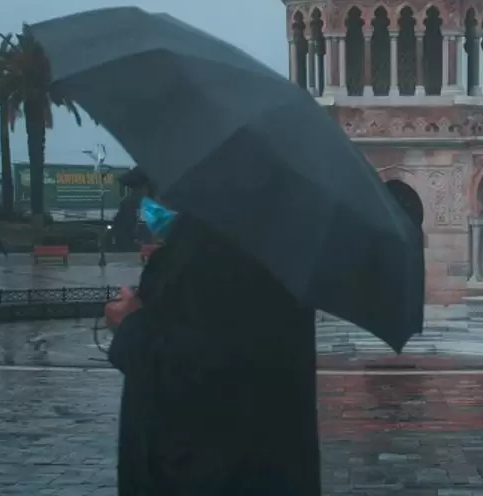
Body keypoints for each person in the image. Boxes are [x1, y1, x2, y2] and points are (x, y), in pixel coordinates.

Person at [105, 198, 322, 495]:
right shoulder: (276, 250)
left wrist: (131, 325)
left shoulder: (213, 258)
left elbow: (197, 369)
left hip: (205, 473)